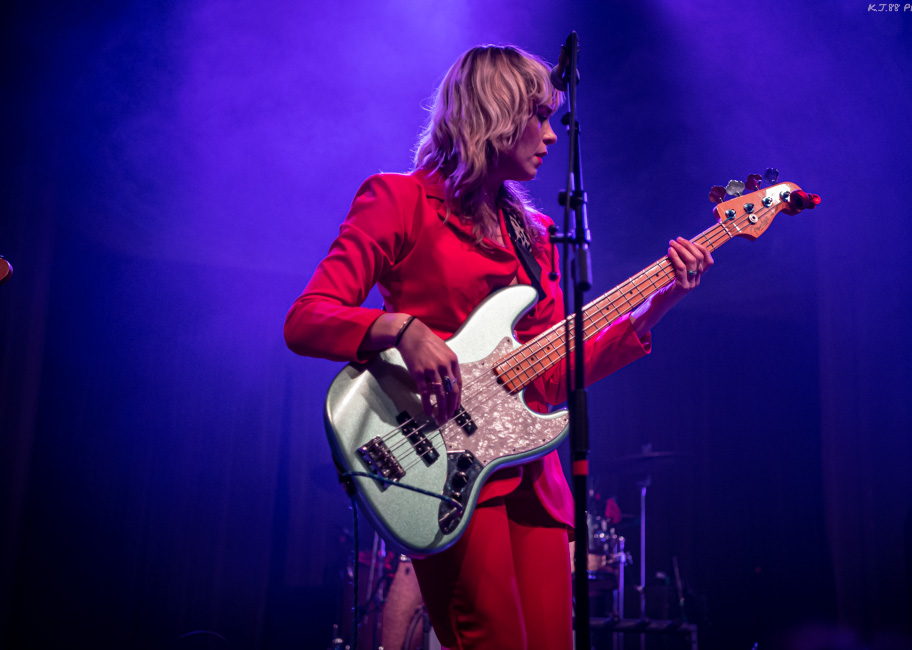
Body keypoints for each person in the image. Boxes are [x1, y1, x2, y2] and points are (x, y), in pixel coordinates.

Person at [284, 44, 713, 650]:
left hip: (531, 475)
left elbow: (552, 373)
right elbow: (307, 318)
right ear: (496, 116)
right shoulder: (399, 200)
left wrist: (657, 303)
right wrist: (401, 329)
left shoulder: (535, 235)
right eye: (539, 117)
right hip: (444, 466)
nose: (551, 135)